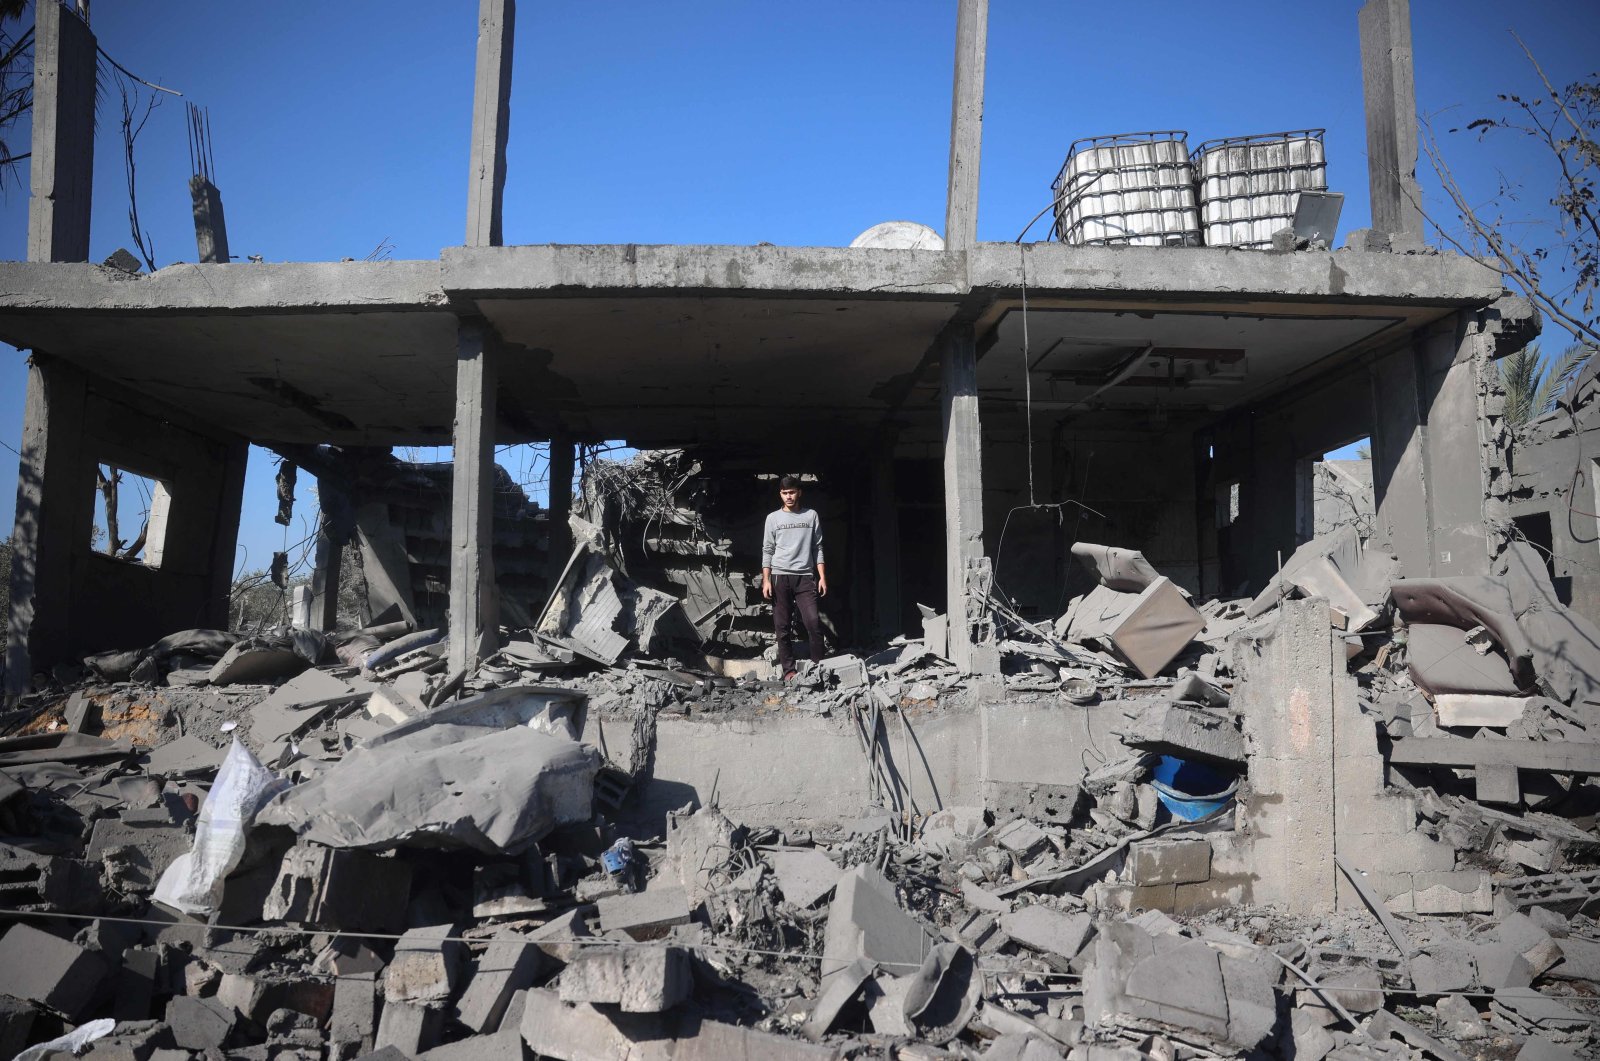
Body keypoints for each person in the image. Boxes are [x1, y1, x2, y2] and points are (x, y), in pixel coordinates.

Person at [761, 475, 827, 679]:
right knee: (782, 627)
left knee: (813, 623)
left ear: (799, 492)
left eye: (791, 492)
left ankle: (818, 669)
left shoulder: (811, 516)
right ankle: (788, 670)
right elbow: (767, 550)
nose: (788, 497)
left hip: (805, 577)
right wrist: (766, 580)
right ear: (780, 494)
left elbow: (818, 547)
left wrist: (822, 576)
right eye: (784, 493)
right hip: (780, 576)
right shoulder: (773, 518)